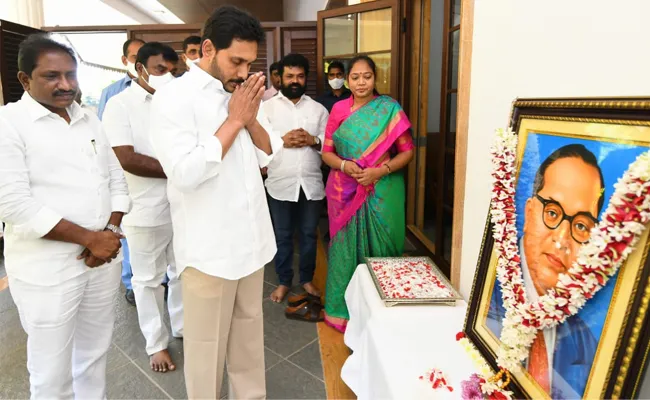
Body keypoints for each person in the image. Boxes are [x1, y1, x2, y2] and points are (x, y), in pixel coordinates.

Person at [149, 6, 282, 399]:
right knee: (206, 348)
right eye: (235, 60)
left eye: (249, 62)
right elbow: (187, 173)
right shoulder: (174, 98)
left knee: (248, 338)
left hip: (252, 241)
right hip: (209, 251)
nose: (243, 71)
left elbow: (268, 153)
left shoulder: (241, 94)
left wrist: (250, 116)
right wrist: (235, 120)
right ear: (207, 48)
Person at [0, 33, 130, 398]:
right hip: (48, 270)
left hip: (100, 260)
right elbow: (12, 203)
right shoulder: (8, 123)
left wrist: (109, 231)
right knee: (50, 370)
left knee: (93, 353)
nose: (66, 85)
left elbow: (116, 179)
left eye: (71, 75)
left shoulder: (88, 118)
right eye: (52, 76)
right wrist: (91, 239)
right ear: (25, 80)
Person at [487, 144, 602, 398]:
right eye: (552, 212)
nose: (562, 239)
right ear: (529, 213)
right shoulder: (487, 301)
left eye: (581, 226)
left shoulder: (587, 345)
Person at [102, 42, 183, 374]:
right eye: (160, 70)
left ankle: (181, 326)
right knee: (148, 279)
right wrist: (180, 168)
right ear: (140, 68)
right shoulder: (120, 106)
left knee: (181, 271)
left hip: (182, 204)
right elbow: (127, 158)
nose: (167, 77)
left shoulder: (178, 102)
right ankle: (156, 343)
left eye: (172, 70)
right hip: (144, 208)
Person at [322, 55, 414, 333]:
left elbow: (407, 151)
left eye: (367, 76)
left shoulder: (389, 108)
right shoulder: (338, 110)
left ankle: (381, 311)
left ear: (375, 78)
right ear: (347, 80)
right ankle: (342, 312)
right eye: (355, 77)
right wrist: (344, 165)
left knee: (382, 249)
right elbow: (327, 152)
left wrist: (379, 171)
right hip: (344, 190)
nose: (361, 82)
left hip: (382, 190)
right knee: (344, 252)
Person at [261, 53, 328, 309]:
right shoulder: (266, 109)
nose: (295, 81)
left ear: (306, 78)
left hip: (311, 183)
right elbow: (259, 144)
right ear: (280, 77)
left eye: (300, 76)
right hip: (280, 183)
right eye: (289, 76)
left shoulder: (318, 109)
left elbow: (330, 143)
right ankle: (284, 280)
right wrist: (282, 141)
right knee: (283, 235)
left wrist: (314, 140)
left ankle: (307, 279)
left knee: (310, 234)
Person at [98, 37, 144, 306]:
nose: (138, 62)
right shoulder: (112, 93)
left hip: (153, 167)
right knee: (128, 225)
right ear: (124, 60)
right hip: (123, 169)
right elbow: (105, 136)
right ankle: (131, 282)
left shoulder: (159, 86)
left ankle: (157, 279)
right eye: (134, 56)